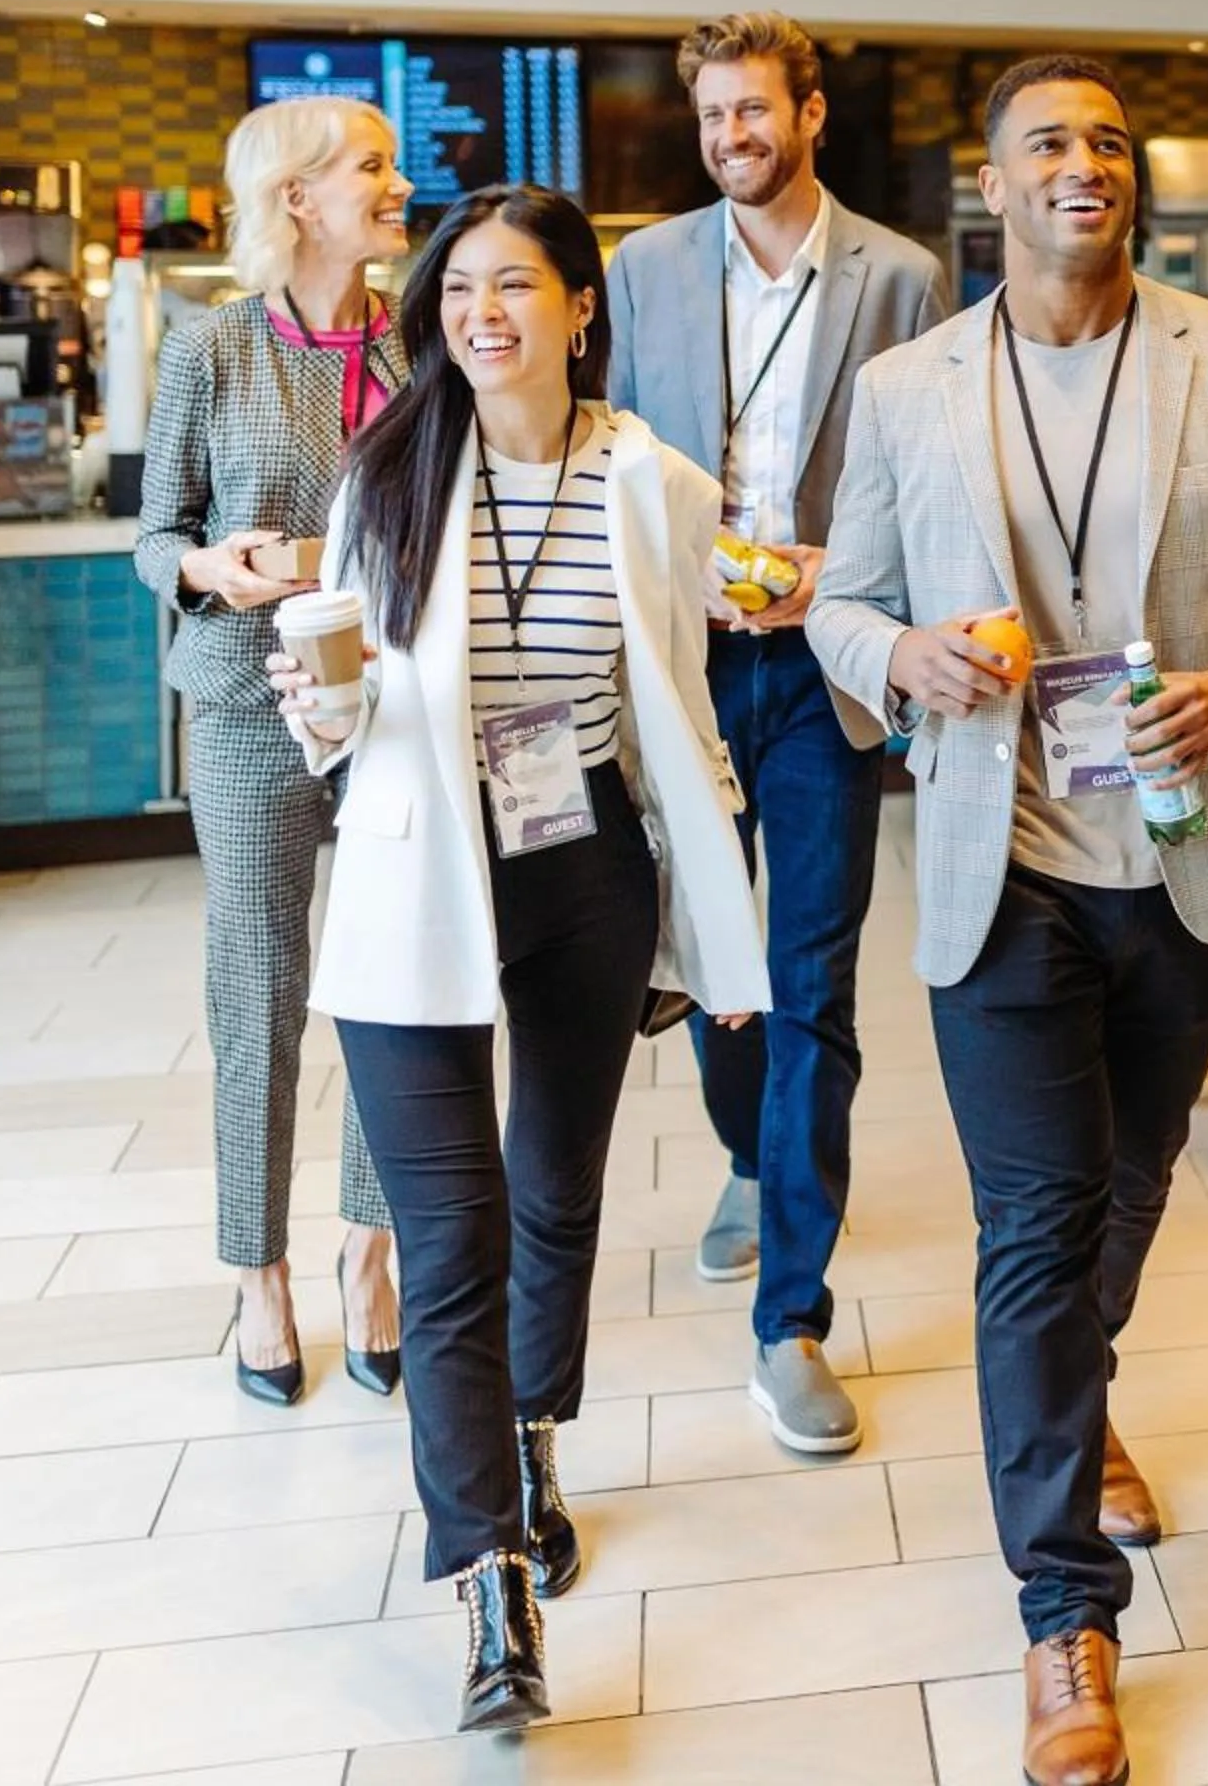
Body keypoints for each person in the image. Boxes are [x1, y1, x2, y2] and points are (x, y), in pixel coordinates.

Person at [809, 55, 1208, 1786]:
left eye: (1111, 143)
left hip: (1183, 857)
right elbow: (841, 602)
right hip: (1004, 865)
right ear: (995, 184)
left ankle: (1075, 1400)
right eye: (1051, 141)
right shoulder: (907, 389)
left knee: (1126, 1190)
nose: (1085, 166)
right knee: (1035, 1225)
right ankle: (1067, 1617)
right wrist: (898, 660)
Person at [265, 185, 769, 1735]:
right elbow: (340, 701)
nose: (486, 312)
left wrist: (797, 588)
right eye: (462, 288)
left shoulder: (648, 473)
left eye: (518, 286)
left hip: (583, 873)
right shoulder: (389, 470)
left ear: (578, 309)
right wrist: (319, 709)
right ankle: (489, 1577)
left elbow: (729, 606)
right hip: (418, 881)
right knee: (453, 1229)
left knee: (556, 1191)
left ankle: (537, 1427)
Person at [605, 10, 951, 1456]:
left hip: (822, 673)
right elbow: (612, 454)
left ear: (811, 115)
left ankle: (791, 1318)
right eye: (712, 120)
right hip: (692, 668)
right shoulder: (645, 269)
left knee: (811, 979)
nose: (733, 139)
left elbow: (932, 473)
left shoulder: (901, 278)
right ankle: (752, 1157)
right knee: (709, 955)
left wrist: (844, 576)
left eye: (756, 112)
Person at [132, 95, 411, 1407]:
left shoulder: (420, 350)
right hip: (246, 701)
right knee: (259, 980)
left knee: (386, 981)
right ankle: (257, 1271)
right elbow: (153, 535)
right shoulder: (212, 347)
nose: (397, 183)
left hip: (390, 701)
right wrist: (207, 562)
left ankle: (371, 1247)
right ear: (300, 197)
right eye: (373, 165)